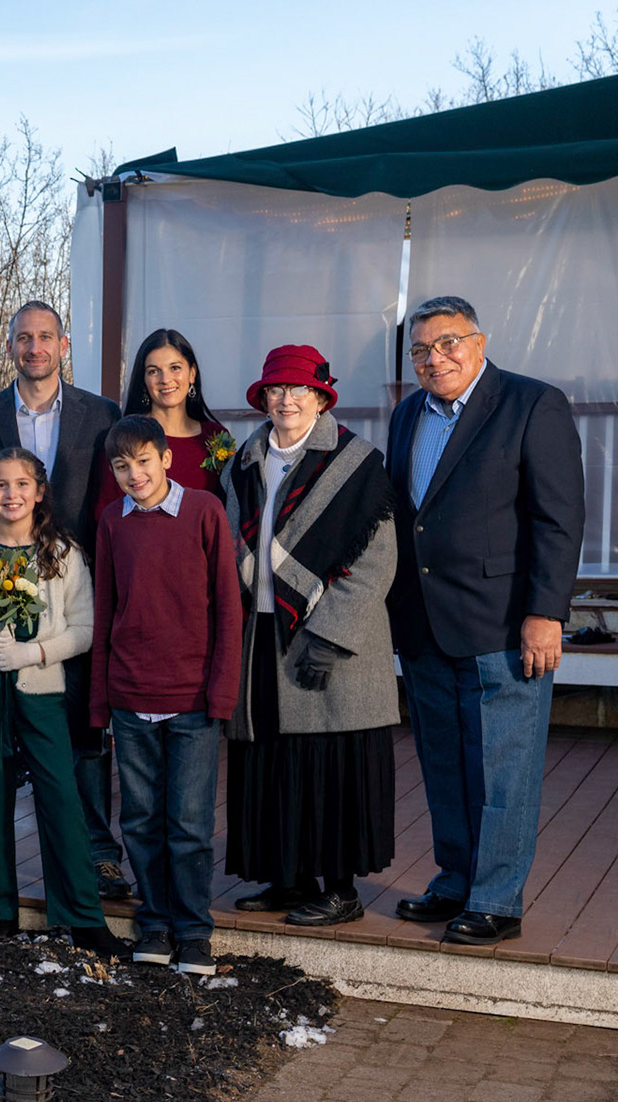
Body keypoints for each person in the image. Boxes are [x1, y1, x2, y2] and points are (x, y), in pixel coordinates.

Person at [386, 296, 586, 945]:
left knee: (503, 768)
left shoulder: (532, 404)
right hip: (424, 626)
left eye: (447, 343)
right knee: (445, 764)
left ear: (479, 341)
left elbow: (558, 519)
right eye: (421, 350)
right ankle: (455, 880)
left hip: (504, 626)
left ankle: (497, 898)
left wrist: (545, 613)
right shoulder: (406, 414)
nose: (434, 358)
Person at [0, 301, 129, 902]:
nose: (35, 347)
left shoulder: (102, 415)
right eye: (24, 338)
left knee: (80, 728)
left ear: (63, 345)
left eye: (45, 337)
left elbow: (113, 497)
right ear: (12, 347)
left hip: (72, 585)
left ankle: (95, 853)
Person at [219, 346, 399, 926]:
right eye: (276, 390)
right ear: (264, 399)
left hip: (330, 637)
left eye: (300, 390)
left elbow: (376, 563)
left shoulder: (357, 461)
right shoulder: (241, 464)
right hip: (260, 632)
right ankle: (288, 879)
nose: (287, 400)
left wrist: (328, 636)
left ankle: (340, 889)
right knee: (271, 760)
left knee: (328, 763)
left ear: (322, 398)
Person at [0, 449, 125, 958]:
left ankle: (82, 916)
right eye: (0, 485)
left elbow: (84, 631)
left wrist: (33, 651)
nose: (11, 494)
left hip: (40, 691)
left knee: (61, 796)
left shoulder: (63, 554)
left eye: (21, 484)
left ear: (39, 492)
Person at [90, 416, 242, 976]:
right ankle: (154, 923)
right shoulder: (112, 521)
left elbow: (228, 608)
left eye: (144, 461)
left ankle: (194, 931)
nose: (135, 474)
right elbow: (106, 611)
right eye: (122, 466)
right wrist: (101, 701)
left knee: (189, 824)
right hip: (131, 699)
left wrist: (221, 693)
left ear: (166, 458)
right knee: (141, 820)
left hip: (192, 700)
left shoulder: (203, 510)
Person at [93, 327, 230, 506]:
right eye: (153, 371)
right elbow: (106, 510)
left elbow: (229, 510)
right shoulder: (123, 436)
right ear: (144, 379)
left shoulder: (216, 438)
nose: (165, 379)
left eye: (175, 368)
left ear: (192, 373)